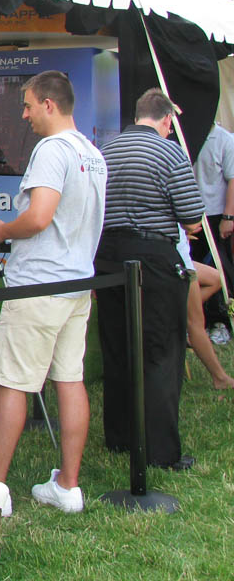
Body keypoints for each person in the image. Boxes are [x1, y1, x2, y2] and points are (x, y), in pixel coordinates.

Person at [0, 70, 107, 517]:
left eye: (28, 104)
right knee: (69, 380)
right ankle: (67, 486)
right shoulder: (93, 154)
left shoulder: (52, 150)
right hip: (76, 282)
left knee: (12, 383)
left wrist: (1, 231)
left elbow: (38, 217)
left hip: (40, 282)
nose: (25, 113)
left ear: (50, 105)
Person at [94, 88, 205, 471]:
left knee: (117, 346)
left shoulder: (106, 150)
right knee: (160, 351)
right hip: (153, 257)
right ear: (166, 120)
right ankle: (161, 450)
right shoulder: (170, 151)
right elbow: (191, 215)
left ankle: (120, 437)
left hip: (108, 256)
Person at [189, 122, 234, 341]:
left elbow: (232, 179)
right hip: (190, 218)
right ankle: (199, 320)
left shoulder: (225, 139)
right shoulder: (184, 135)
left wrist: (228, 216)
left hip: (215, 216)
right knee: (193, 271)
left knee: (218, 268)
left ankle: (220, 322)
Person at [178, 227, 234, 389]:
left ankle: (173, 313)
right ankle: (220, 378)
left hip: (179, 252)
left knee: (215, 278)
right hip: (174, 259)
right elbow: (192, 222)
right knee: (195, 323)